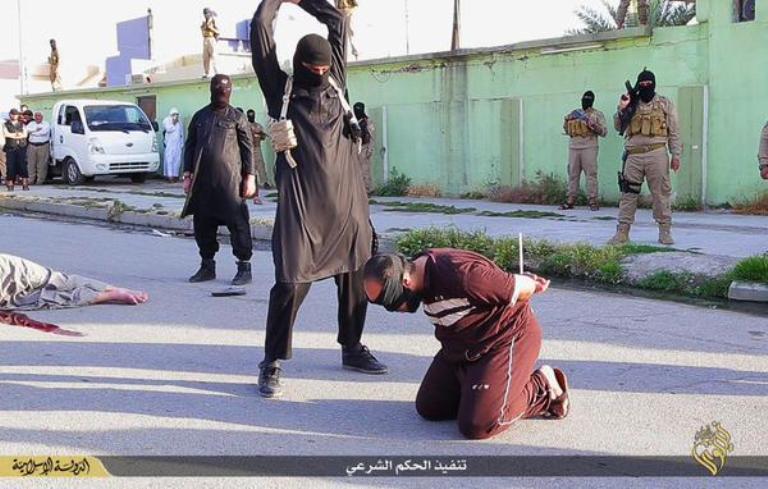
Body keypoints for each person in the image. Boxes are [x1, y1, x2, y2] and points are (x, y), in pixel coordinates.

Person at [251, 0, 386, 399]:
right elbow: (260, 27)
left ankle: (352, 346)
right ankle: (272, 360)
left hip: (347, 202)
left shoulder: (338, 82)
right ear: (301, 65)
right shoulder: (280, 88)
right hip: (302, 206)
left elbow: (336, 20)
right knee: (290, 282)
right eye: (316, 69)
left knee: (356, 273)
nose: (322, 74)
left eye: (326, 68)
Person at [363, 250, 569, 440]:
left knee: (478, 425)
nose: (393, 310)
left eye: (390, 302)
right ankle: (481, 390)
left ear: (406, 281)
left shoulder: (462, 275)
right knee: (430, 408)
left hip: (505, 340)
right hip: (462, 346)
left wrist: (529, 282)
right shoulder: (417, 270)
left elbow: (523, 287)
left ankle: (542, 386)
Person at [181, 74, 257, 287]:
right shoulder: (200, 117)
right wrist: (187, 175)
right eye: (218, 90)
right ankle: (207, 266)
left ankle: (244, 268)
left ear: (230, 91)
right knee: (203, 225)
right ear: (211, 91)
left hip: (230, 183)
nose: (221, 94)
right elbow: (190, 146)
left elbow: (248, 149)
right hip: (203, 183)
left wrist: (250, 178)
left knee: (238, 225)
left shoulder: (237, 118)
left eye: (225, 90)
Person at [609, 69, 681, 246]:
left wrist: (676, 155)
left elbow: (674, 132)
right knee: (628, 194)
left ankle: (665, 231)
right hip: (634, 155)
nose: (646, 86)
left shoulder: (664, 104)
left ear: (654, 84)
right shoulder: (631, 103)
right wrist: (622, 108)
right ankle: (622, 232)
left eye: (649, 83)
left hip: (657, 153)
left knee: (661, 194)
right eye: (642, 84)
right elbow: (618, 127)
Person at [0, 253, 148, 311]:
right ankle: (112, 291)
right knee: (59, 280)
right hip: (12, 268)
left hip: (11, 272)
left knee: (47, 295)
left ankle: (111, 292)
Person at [561, 91, 607, 211]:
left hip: (589, 146)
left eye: (588, 99)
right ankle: (570, 199)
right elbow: (566, 129)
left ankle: (593, 200)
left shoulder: (597, 114)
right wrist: (567, 121)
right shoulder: (574, 113)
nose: (585, 101)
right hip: (574, 147)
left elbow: (604, 132)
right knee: (572, 174)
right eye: (584, 99)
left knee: (591, 174)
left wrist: (594, 126)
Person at [3, 109, 29, 191]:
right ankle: (10, 183)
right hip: (10, 147)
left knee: (22, 165)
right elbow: (6, 134)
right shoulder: (5, 124)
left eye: (15, 114)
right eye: (12, 114)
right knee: (10, 166)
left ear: (18, 115)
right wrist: (18, 135)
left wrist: (14, 135)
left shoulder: (22, 124)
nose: (14, 115)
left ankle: (25, 183)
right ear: (10, 114)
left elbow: (25, 134)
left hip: (21, 147)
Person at [353, 102, 375, 194]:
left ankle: (367, 190)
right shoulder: (353, 121)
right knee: (355, 171)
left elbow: (372, 136)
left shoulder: (367, 122)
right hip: (355, 148)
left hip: (364, 148)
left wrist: (370, 149)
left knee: (365, 170)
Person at [246, 109, 270, 192]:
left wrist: (260, 134)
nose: (251, 117)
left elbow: (263, 137)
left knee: (260, 166)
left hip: (257, 148)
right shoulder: (245, 125)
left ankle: (264, 182)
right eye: (250, 115)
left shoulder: (258, 126)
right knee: (249, 166)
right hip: (249, 148)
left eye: (252, 115)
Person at [26, 111, 51, 185]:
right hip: (32, 146)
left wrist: (32, 132)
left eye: (39, 115)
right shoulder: (31, 124)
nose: (37, 117)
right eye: (36, 115)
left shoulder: (46, 124)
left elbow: (43, 133)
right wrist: (35, 130)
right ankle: (31, 180)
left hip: (43, 145)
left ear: (42, 117)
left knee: (42, 164)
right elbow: (26, 130)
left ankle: (40, 180)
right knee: (31, 164)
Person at [162, 108, 184, 183]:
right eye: (174, 115)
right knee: (169, 160)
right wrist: (173, 123)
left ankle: (175, 175)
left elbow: (181, 133)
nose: (176, 116)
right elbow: (168, 129)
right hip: (169, 144)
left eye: (177, 115)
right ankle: (169, 176)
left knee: (177, 160)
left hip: (177, 145)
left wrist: (181, 143)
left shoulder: (179, 122)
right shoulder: (166, 120)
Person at [201, 8, 219, 79]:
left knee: (213, 56)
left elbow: (218, 31)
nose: (205, 15)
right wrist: (203, 28)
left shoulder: (213, 21)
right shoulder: (204, 22)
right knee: (205, 57)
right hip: (205, 39)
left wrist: (210, 28)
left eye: (206, 13)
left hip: (211, 38)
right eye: (204, 13)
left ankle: (217, 72)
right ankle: (207, 72)